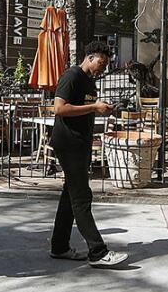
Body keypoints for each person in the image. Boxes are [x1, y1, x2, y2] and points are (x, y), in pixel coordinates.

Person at [48, 41, 127, 267]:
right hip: (68, 144)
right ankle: (97, 251)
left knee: (69, 196)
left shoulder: (89, 82)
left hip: (80, 144)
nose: (103, 68)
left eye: (106, 64)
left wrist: (101, 110)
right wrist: (94, 108)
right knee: (81, 197)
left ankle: (59, 246)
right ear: (90, 57)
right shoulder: (71, 76)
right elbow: (59, 108)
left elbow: (83, 110)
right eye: (101, 63)